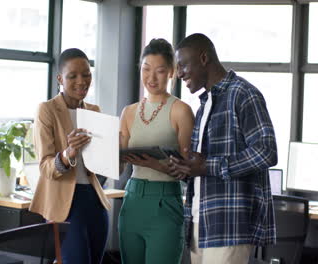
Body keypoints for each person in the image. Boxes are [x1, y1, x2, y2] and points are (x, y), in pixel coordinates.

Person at [168, 33, 278, 264]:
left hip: (229, 224)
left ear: (204, 58)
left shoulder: (243, 94)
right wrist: (187, 170)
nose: (179, 73)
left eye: (183, 65)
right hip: (199, 221)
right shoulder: (204, 104)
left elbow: (266, 151)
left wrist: (208, 166)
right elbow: (202, 168)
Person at [29, 48, 111, 264]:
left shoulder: (94, 110)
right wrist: (68, 154)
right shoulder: (46, 110)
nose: (81, 81)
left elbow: (100, 167)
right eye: (72, 76)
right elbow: (46, 167)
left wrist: (115, 151)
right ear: (60, 79)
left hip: (94, 201)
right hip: (64, 204)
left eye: (86, 74)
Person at [118, 38, 195, 264]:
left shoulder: (181, 111)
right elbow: (119, 165)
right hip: (132, 199)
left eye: (160, 71)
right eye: (146, 69)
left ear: (171, 72)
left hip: (165, 202)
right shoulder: (128, 112)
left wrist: (155, 164)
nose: (151, 78)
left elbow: (189, 171)